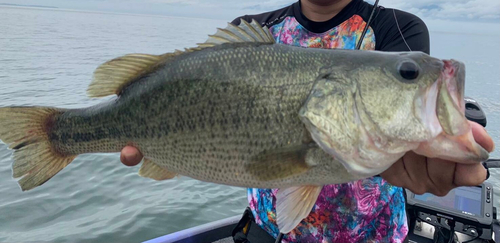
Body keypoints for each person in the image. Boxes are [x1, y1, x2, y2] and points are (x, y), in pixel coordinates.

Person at [120, 0, 495, 242]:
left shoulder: (398, 28)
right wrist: (166, 145)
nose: (412, 74)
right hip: (268, 230)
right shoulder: (253, 29)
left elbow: (395, 128)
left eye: (408, 72)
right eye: (409, 73)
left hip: (371, 234)